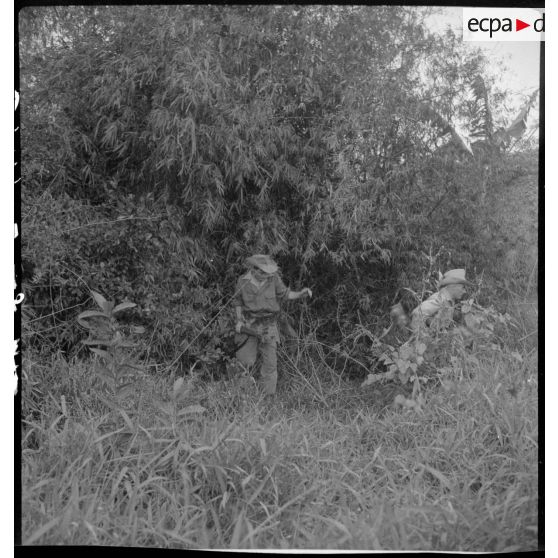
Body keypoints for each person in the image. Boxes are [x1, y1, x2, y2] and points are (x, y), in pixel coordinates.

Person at [233, 254, 312, 396]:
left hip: (269, 324)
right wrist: (239, 319)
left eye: (268, 273)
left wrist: (300, 294)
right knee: (245, 361)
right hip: (248, 323)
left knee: (270, 362)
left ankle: (268, 395)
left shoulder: (273, 279)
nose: (266, 275)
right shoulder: (242, 281)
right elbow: (237, 301)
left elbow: (285, 294)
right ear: (254, 269)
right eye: (263, 272)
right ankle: (242, 394)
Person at [410, 268, 471, 336]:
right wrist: (424, 338)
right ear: (453, 286)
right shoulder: (440, 300)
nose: (464, 291)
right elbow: (417, 313)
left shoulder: (448, 301)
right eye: (463, 287)